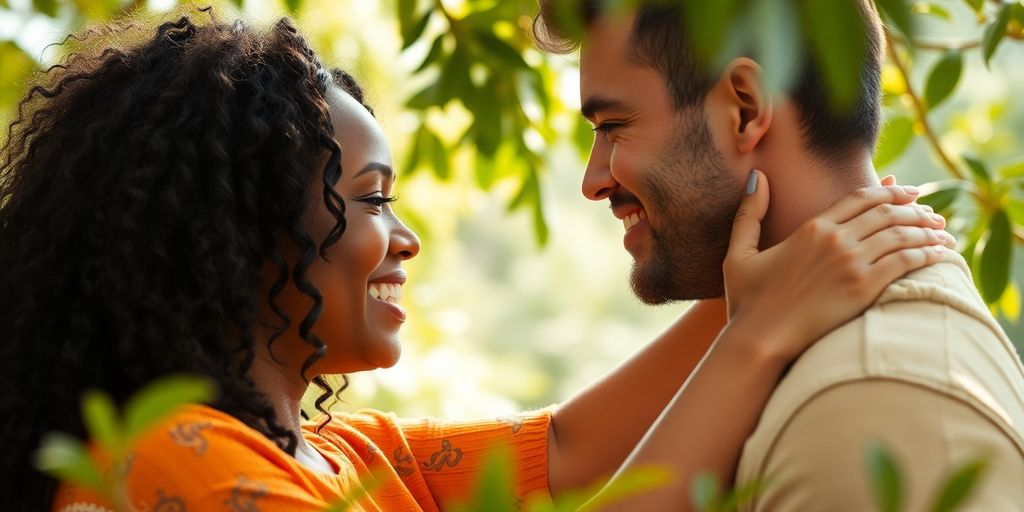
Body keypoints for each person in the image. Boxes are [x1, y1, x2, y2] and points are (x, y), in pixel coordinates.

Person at [0, 11, 952, 512]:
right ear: (240, 236)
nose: (404, 238)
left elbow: (574, 456)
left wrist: (778, 273)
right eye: (371, 199)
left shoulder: (346, 460)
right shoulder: (168, 465)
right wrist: (759, 338)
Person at [533, 0, 1024, 510]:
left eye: (613, 125)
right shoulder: (814, 360)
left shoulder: (867, 405)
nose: (593, 182)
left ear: (744, 109)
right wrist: (746, 339)